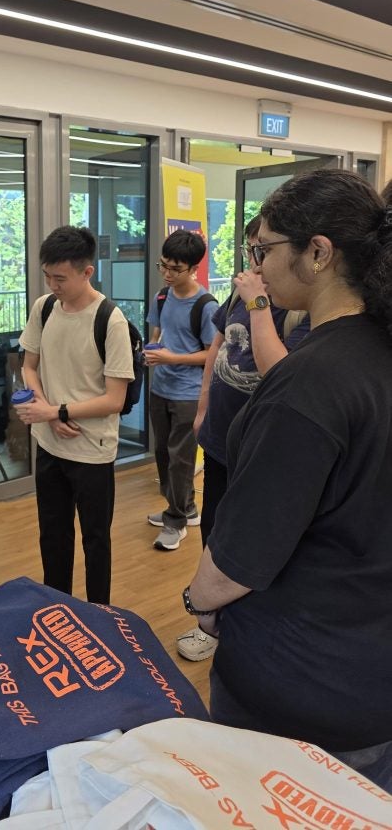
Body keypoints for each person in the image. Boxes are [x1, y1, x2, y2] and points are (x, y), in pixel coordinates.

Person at [185, 169, 392, 791]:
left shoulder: (311, 382)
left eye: (265, 250)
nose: (257, 267)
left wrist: (199, 604)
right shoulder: (375, 354)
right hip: (370, 679)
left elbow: (238, 559)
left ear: (318, 253)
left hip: (295, 693)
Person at [176, 216, 310, 662]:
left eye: (263, 252)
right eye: (251, 250)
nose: (255, 263)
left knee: (248, 539)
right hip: (220, 437)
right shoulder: (239, 294)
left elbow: (280, 374)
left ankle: (240, 624)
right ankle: (210, 621)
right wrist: (202, 410)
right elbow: (216, 350)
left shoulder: (299, 308)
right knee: (214, 529)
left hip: (259, 447)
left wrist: (258, 303)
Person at [15, 226, 133, 605]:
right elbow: (29, 366)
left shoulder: (110, 320)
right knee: (53, 535)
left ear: (87, 272)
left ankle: (99, 615)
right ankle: (57, 607)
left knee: (96, 541)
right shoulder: (44, 307)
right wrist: (48, 413)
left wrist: (57, 410)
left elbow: (115, 399)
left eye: (61, 278)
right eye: (47, 276)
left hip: (92, 451)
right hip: (50, 444)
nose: (53, 286)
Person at [145, 229, 218, 551]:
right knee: (163, 453)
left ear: (193, 269)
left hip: (188, 393)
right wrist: (153, 350)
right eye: (163, 265)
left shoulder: (206, 306)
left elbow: (210, 354)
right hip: (160, 387)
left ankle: (175, 522)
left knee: (180, 460)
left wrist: (171, 357)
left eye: (175, 269)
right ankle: (186, 507)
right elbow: (158, 333)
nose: (167, 273)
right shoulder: (162, 297)